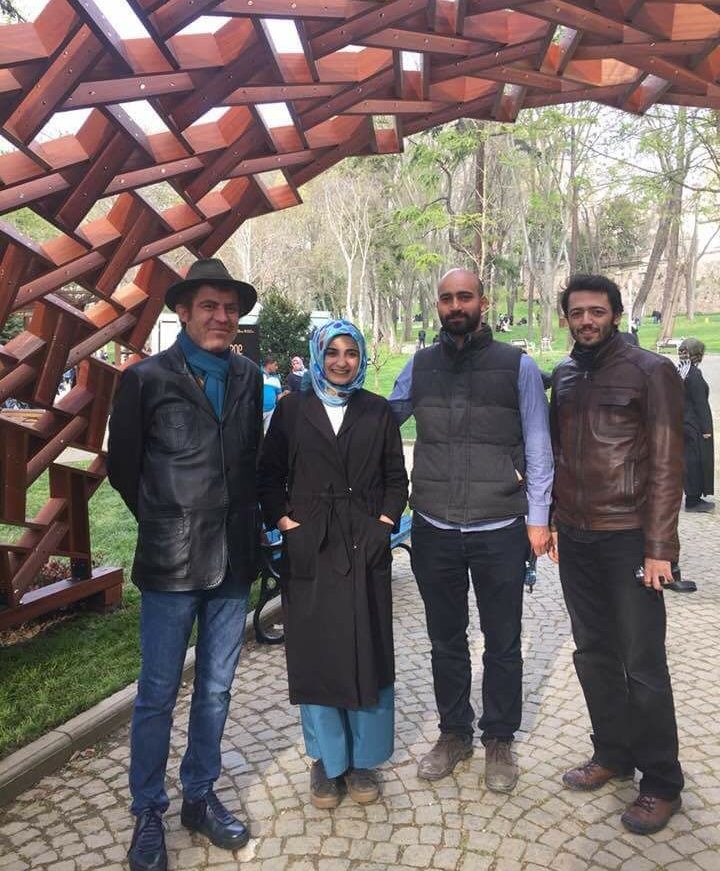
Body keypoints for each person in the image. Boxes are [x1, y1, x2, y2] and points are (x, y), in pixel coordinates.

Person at [107, 258, 262, 871]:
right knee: (157, 693)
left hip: (234, 563)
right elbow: (124, 468)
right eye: (209, 307)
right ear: (183, 311)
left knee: (217, 690)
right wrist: (165, 519)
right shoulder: (145, 379)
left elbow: (250, 462)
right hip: (171, 563)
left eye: (230, 308)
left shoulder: (249, 375)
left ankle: (199, 796)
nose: (222, 317)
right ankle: (148, 810)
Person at [389, 269, 553, 792]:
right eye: (446, 298)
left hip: (499, 525)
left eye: (465, 296)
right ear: (436, 305)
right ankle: (454, 732)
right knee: (445, 640)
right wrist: (320, 402)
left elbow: (539, 443)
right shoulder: (419, 365)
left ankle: (498, 737)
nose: (455, 305)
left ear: (483, 301)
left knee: (503, 641)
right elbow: (381, 420)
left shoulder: (517, 366)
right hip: (434, 524)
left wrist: (539, 518)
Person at [549, 273, 684, 835]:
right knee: (593, 653)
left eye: (597, 311)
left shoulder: (652, 371)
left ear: (616, 314)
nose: (587, 320)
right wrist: (554, 520)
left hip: (628, 536)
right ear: (567, 318)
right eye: (577, 312)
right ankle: (612, 752)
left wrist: (659, 548)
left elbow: (668, 463)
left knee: (642, 662)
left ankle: (662, 782)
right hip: (576, 536)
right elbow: (558, 453)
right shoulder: (564, 374)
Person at [258, 320, 408, 810]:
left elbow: (395, 477)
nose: (342, 362)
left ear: (360, 357)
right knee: (317, 652)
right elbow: (268, 475)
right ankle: (327, 758)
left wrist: (383, 525)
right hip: (312, 546)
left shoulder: (378, 410)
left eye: (351, 352)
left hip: (364, 542)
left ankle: (363, 760)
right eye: (332, 352)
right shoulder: (292, 410)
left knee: (368, 648)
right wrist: (288, 524)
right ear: (318, 356)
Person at [678, 337, 714, 512]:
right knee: (696, 461)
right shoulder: (694, 374)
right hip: (694, 425)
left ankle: (693, 497)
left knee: (689, 460)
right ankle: (693, 500)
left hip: (683, 422)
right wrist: (706, 429)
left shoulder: (681, 371)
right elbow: (700, 404)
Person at [262, 356, 283, 431]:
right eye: (275, 365)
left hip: (271, 412)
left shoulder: (276, 379)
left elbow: (279, 396)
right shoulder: (257, 374)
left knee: (267, 433)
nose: (276, 367)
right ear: (269, 365)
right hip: (257, 411)